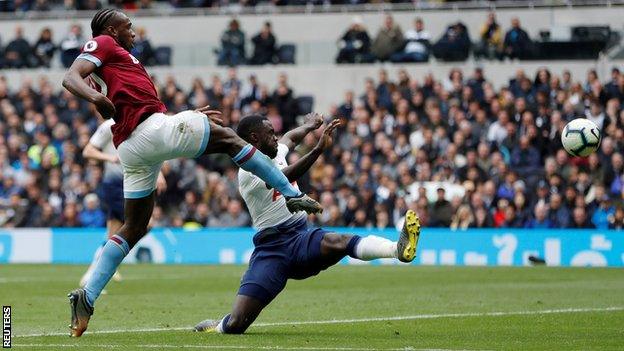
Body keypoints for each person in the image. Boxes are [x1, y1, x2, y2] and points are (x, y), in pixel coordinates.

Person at [63, 8, 322, 338]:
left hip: (134, 145)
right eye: (127, 26)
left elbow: (140, 106)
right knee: (229, 138)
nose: (133, 31)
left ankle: (87, 296)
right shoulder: (102, 43)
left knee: (135, 225)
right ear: (110, 31)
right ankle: (292, 194)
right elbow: (70, 77)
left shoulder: (120, 59)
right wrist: (97, 97)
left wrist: (179, 117)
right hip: (148, 133)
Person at [193, 113, 421, 334]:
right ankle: (219, 325)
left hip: (301, 237)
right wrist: (318, 149)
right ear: (254, 138)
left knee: (338, 240)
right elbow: (283, 176)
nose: (276, 137)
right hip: (272, 250)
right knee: (236, 325)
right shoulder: (247, 171)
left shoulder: (275, 152)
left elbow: (290, 138)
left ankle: (397, 249)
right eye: (270, 133)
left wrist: (310, 126)